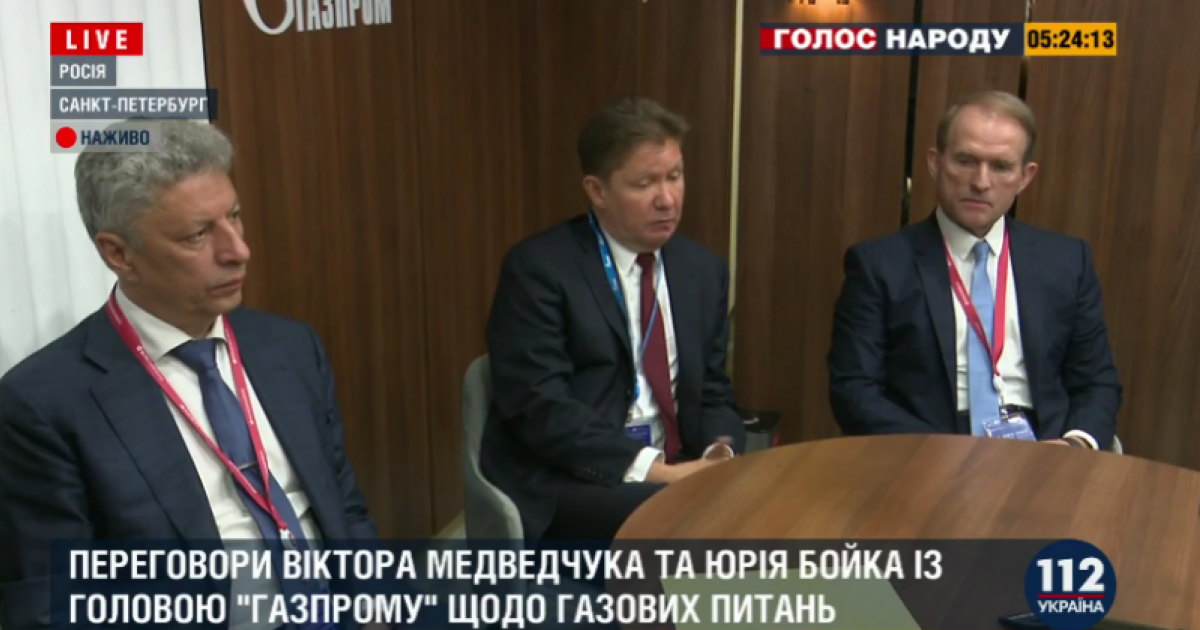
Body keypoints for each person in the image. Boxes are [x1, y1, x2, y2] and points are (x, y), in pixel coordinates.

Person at [0, 120, 381, 629]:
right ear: (119, 254)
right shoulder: (44, 404)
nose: (238, 250)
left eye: (235, 216)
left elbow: (345, 511)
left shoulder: (290, 348)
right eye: (198, 235)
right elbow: (53, 604)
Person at [481, 97, 746, 543]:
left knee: (766, 499)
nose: (667, 200)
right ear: (597, 191)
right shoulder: (539, 269)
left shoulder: (702, 270)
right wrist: (659, 473)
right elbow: (540, 407)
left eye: (675, 177)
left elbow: (713, 389)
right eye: (645, 184)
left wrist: (719, 451)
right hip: (576, 475)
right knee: (698, 522)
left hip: (678, 464)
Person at [827, 90, 1121, 450]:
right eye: (966, 161)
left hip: (1046, 447)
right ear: (935, 163)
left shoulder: (1066, 261)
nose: (981, 182)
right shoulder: (880, 265)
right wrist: (949, 453)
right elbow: (854, 390)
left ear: (1025, 177)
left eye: (1001, 166)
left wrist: (1074, 445)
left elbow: (1096, 380)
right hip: (928, 450)